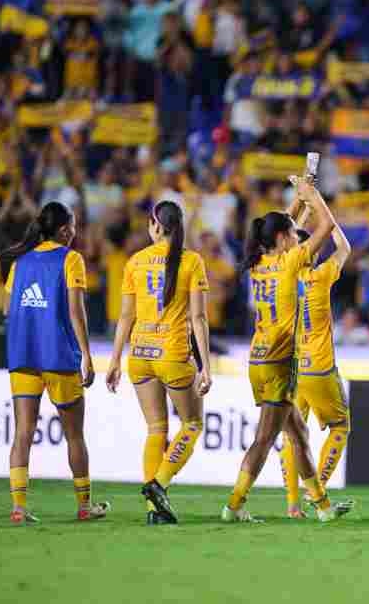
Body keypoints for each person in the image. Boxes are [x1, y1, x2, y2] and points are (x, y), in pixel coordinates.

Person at [223, 179, 353, 523]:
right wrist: (312, 197)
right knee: (264, 439)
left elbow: (280, 224)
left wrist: (297, 202)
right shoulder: (291, 262)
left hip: (258, 358)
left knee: (299, 434)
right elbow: (325, 226)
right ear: (282, 240)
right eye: (293, 234)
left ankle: (322, 507)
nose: (298, 237)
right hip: (281, 363)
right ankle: (234, 505)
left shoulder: (256, 262)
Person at [104, 201, 213, 525]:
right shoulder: (192, 261)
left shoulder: (135, 262)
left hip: (140, 354)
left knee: (155, 429)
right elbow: (199, 318)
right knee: (192, 424)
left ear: (154, 225)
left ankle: (155, 511)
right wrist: (205, 365)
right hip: (173, 355)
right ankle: (159, 484)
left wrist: (114, 360)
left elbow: (125, 316)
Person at [1, 202, 110, 523]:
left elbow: (8, 308)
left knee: (22, 432)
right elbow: (77, 312)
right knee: (74, 435)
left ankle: (19, 507)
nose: (75, 232)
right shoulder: (70, 259)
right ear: (64, 230)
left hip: (22, 355)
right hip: (58, 356)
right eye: (73, 226)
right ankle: (84, 505)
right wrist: (87, 356)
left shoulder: (20, 262)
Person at [279, 212, 353, 519]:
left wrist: (303, 206)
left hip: (292, 368)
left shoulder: (282, 276)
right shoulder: (321, 276)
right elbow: (345, 248)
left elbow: (279, 228)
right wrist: (324, 211)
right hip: (320, 369)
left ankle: (293, 504)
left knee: (293, 435)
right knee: (340, 427)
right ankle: (317, 489)